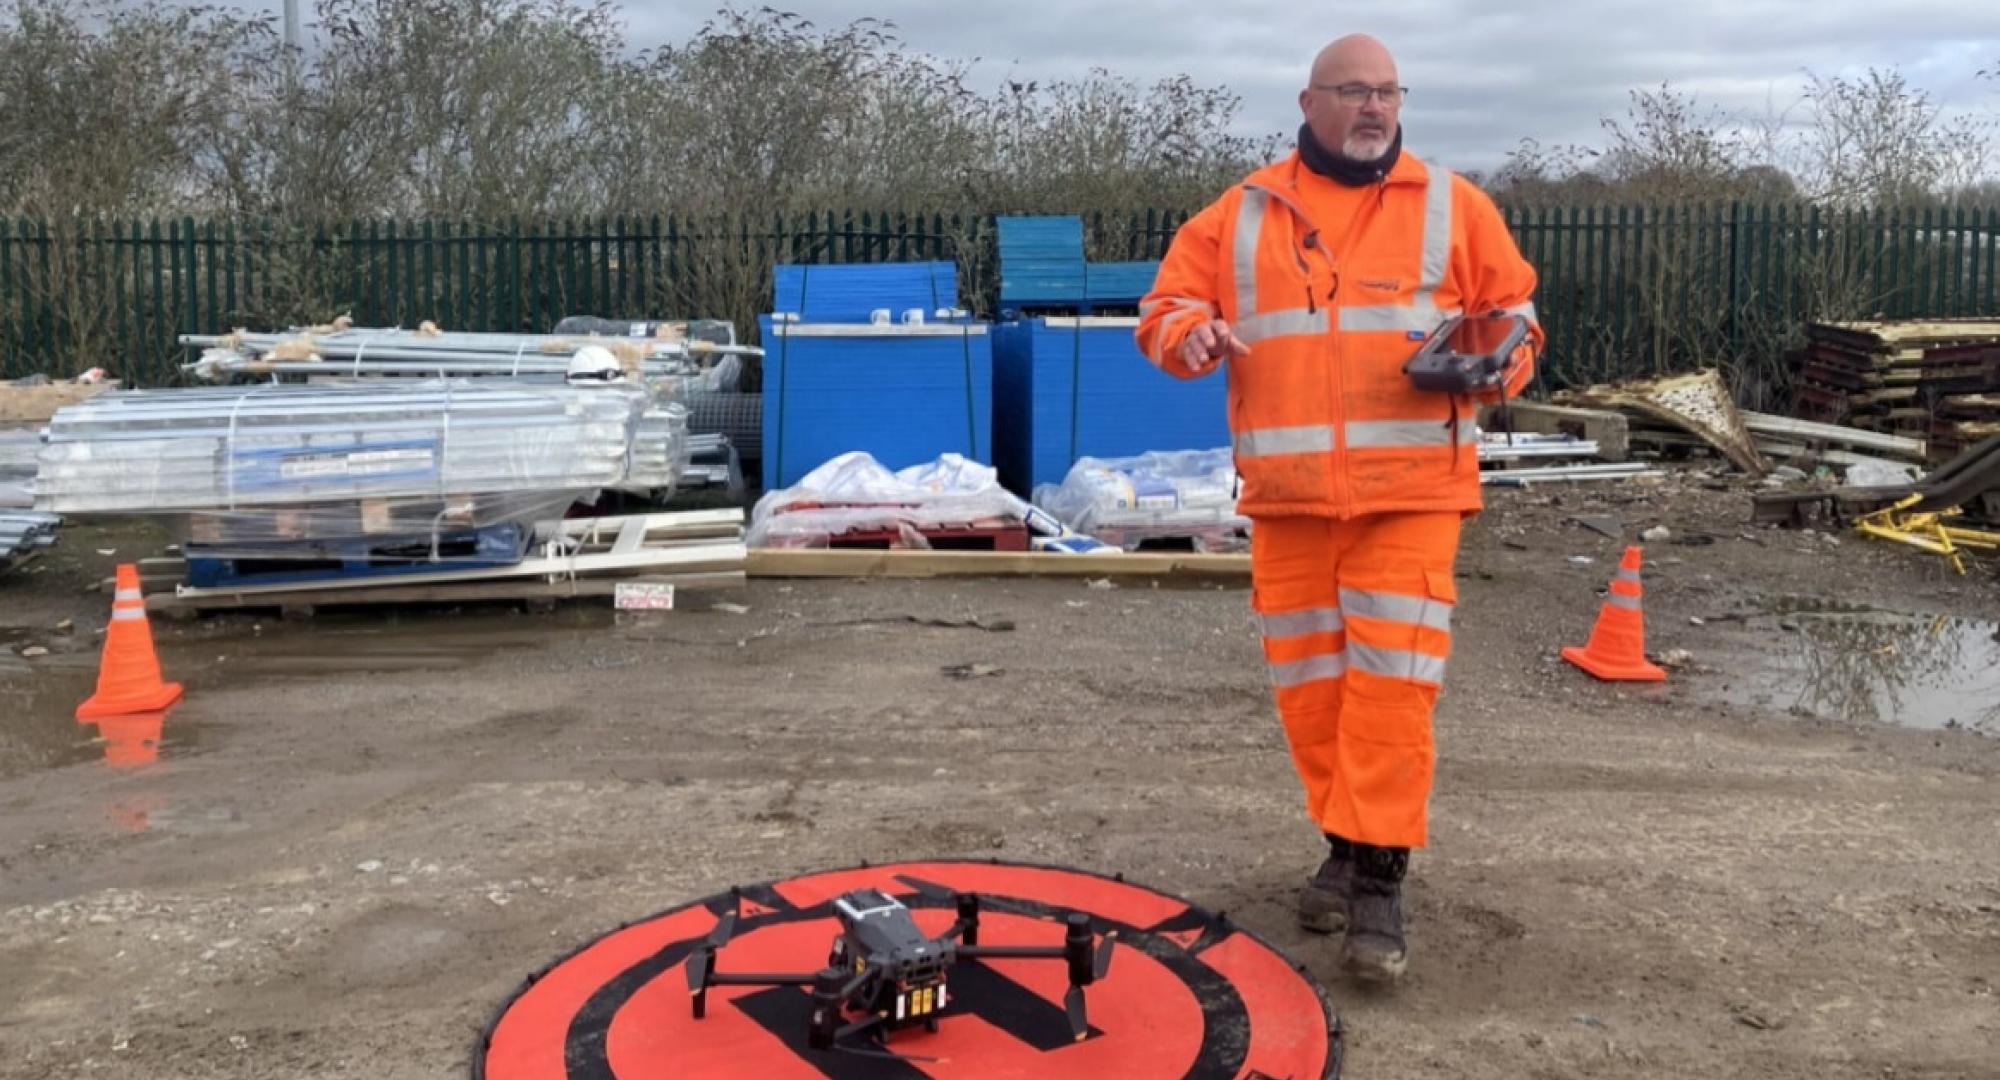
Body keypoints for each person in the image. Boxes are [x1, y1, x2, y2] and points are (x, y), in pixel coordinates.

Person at [1135, 33, 1541, 982]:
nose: (1374, 107)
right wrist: (1189, 336)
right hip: (1289, 503)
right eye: (1354, 90)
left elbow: (1516, 316)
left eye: (1388, 92)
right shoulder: (1239, 213)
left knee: (1391, 689)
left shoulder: (1455, 205)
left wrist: (1499, 364)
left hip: (1412, 495)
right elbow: (1164, 309)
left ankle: (1379, 882)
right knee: (1314, 695)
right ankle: (1347, 843)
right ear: (1308, 102)